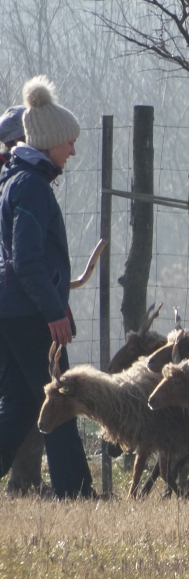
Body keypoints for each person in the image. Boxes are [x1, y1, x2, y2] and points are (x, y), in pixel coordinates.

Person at [0, 76, 92, 498]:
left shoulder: (18, 181)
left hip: (16, 310)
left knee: (20, 406)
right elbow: (28, 260)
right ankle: (75, 492)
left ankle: (72, 488)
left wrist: (60, 304)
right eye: (68, 142)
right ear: (50, 142)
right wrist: (53, 311)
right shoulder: (31, 187)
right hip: (31, 314)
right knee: (61, 400)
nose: (72, 150)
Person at [0, 103, 45, 494]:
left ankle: (25, 479)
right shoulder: (18, 182)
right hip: (13, 303)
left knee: (22, 395)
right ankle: (24, 478)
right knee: (26, 393)